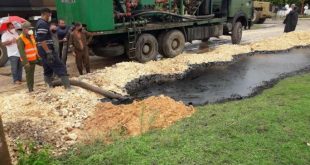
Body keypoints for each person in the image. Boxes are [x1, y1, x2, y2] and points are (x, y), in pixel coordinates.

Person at [36, 8, 70, 89]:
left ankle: (49, 86)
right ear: (45, 14)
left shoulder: (41, 23)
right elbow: (41, 39)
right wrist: (48, 52)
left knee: (48, 68)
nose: (50, 16)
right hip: (47, 50)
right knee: (60, 66)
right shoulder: (42, 24)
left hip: (43, 49)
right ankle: (68, 87)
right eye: (49, 15)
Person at [17, 22, 40, 92]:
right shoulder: (20, 39)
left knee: (32, 74)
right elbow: (22, 52)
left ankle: (32, 88)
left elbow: (34, 47)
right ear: (24, 29)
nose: (30, 30)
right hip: (27, 61)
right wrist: (26, 62)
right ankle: (30, 89)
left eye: (31, 29)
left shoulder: (31, 36)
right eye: (29, 29)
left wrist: (38, 56)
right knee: (29, 75)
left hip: (33, 58)